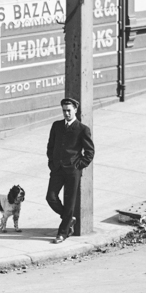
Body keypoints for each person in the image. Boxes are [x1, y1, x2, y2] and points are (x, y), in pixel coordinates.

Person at [46, 97, 95, 243]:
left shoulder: (82, 129)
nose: (66, 113)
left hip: (72, 171)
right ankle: (69, 219)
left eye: (69, 110)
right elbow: (50, 146)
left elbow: (90, 152)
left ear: (75, 110)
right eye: (64, 111)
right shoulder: (56, 125)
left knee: (69, 202)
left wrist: (78, 165)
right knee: (51, 197)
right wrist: (51, 161)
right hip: (57, 169)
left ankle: (63, 232)